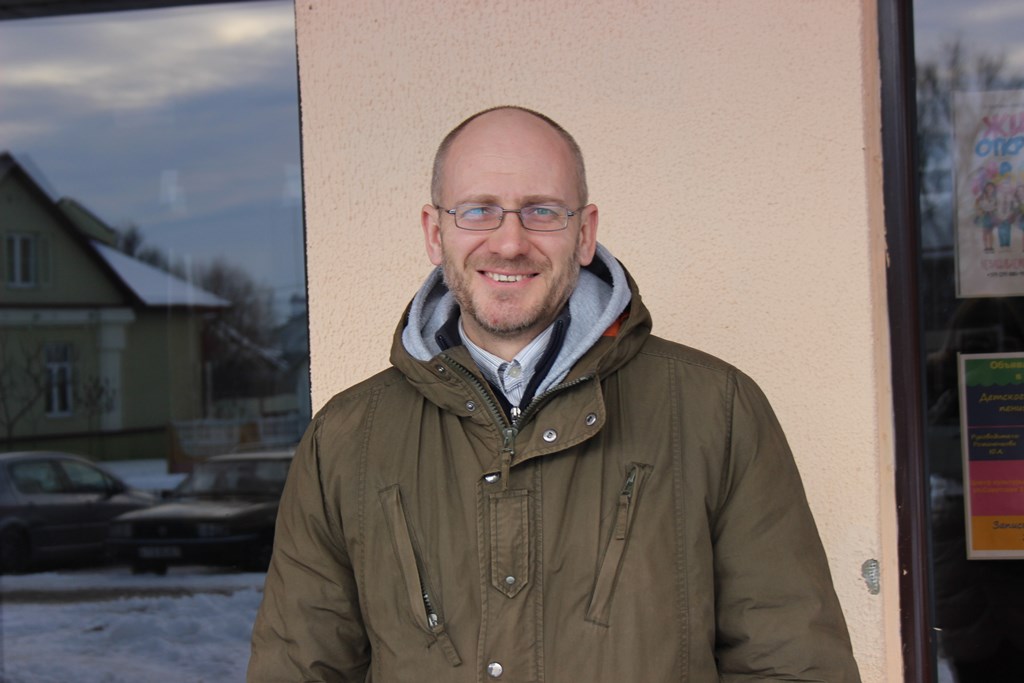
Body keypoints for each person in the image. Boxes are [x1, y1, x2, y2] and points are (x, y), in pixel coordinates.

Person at [248, 106, 861, 682]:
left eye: (542, 211)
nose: (510, 242)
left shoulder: (716, 411)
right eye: (478, 210)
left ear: (585, 232)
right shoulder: (346, 439)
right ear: (435, 233)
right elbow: (297, 667)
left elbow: (792, 663)